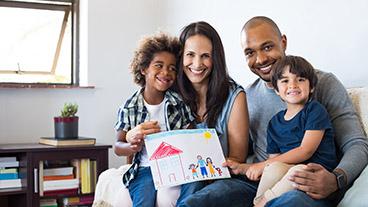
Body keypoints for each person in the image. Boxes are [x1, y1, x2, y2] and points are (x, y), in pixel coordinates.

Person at [225, 16, 368, 207]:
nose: (260, 59)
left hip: (310, 185)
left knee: (291, 200)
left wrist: (336, 179)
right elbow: (255, 155)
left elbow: (356, 144)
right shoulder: (247, 97)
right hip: (265, 180)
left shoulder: (321, 85)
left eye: (267, 47)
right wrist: (241, 167)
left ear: (283, 42)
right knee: (212, 195)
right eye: (250, 52)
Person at [228, 55, 338, 207]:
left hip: (315, 177)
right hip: (287, 179)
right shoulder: (274, 123)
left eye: (300, 79)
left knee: (297, 170)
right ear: (277, 90)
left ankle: (262, 203)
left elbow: (306, 151)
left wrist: (263, 165)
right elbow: (274, 163)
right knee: (274, 168)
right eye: (285, 81)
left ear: (311, 86)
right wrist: (244, 168)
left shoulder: (314, 110)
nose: (293, 85)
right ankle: (258, 202)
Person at [113, 32, 194, 207]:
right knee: (144, 199)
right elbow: (118, 147)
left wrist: (183, 138)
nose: (166, 72)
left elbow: (192, 133)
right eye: (159, 65)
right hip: (144, 169)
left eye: (172, 68)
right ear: (144, 69)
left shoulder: (179, 103)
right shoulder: (129, 107)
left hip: (174, 167)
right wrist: (132, 145)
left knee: (186, 194)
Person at [175, 21, 250, 206]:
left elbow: (237, 158)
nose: (197, 64)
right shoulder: (171, 94)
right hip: (180, 175)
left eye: (205, 56)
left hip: (222, 177)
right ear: (180, 57)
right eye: (190, 55)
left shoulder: (235, 96)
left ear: (215, 59)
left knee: (195, 193)